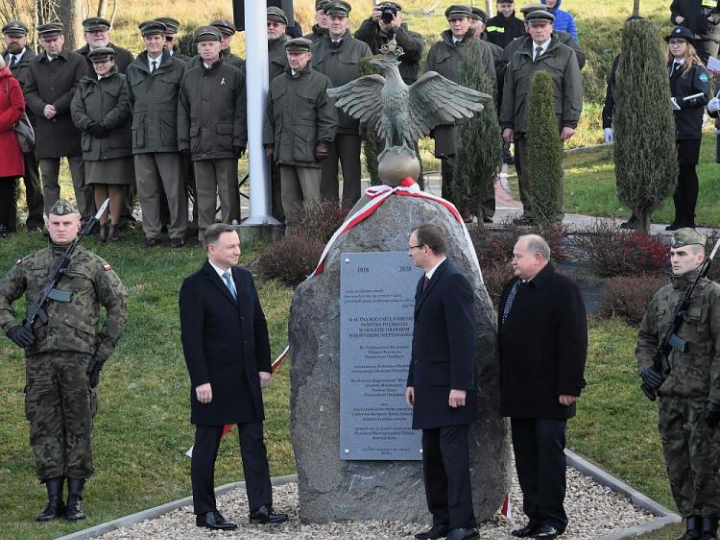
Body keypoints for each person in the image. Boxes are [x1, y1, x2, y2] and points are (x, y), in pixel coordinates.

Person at [0, 198, 127, 522]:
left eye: (67, 223)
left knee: (79, 426)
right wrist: (11, 326)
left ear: (78, 224)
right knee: (44, 427)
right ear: (46, 224)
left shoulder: (93, 264)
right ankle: (52, 498)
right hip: (39, 361)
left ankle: (76, 499)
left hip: (79, 360)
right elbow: (2, 297)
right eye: (55, 224)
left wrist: (102, 353)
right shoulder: (29, 264)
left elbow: (117, 306)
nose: (60, 228)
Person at [179, 223, 288, 530]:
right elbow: (192, 338)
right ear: (212, 249)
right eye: (231, 247)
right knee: (207, 447)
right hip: (213, 382)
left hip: (246, 379)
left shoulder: (243, 277)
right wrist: (200, 380)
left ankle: (261, 506)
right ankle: (206, 512)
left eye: (238, 245)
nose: (238, 251)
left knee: (254, 443)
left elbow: (258, 324)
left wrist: (263, 367)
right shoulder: (195, 286)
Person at [498, 234, 587, 539]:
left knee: (549, 458)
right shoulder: (512, 289)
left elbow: (574, 341)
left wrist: (569, 385)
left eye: (517, 255)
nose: (513, 260)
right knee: (526, 457)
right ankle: (534, 517)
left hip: (551, 395)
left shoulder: (564, 290)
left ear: (538, 258)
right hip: (519, 394)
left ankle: (552, 518)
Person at [636, 228, 720, 540]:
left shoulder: (713, 296)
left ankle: (708, 526)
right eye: (672, 254)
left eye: (681, 253)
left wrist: (716, 397)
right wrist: (647, 370)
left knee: (704, 463)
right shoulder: (663, 296)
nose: (674, 258)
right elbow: (645, 338)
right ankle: (690, 522)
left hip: (701, 398)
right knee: (677, 463)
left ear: (700, 257)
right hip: (669, 397)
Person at [405, 224, 478, 540]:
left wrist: (460, 385)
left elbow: (463, 338)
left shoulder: (453, 281)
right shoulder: (425, 283)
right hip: (427, 389)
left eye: (411, 247)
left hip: (450, 391)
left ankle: (463, 524)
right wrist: (411, 380)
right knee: (432, 459)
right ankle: (442, 521)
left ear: (426, 249)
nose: (409, 252)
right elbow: (421, 338)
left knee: (453, 461)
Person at [500, 10, 583, 224]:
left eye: (542, 26)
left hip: (552, 124)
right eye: (534, 26)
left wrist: (570, 122)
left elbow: (573, 89)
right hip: (523, 121)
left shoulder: (565, 53)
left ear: (551, 28)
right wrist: (507, 124)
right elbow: (508, 91)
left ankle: (552, 215)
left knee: (551, 170)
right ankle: (530, 213)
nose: (538, 30)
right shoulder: (518, 55)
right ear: (527, 28)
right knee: (525, 171)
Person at [178, 26, 247, 242]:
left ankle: (229, 232)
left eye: (211, 44)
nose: (207, 48)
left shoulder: (234, 74)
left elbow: (241, 111)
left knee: (228, 192)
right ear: (197, 48)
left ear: (220, 45)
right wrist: (184, 142)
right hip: (199, 142)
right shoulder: (189, 77)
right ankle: (205, 234)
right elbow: (183, 111)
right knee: (204, 192)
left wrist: (239, 139)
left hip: (225, 142)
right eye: (203, 45)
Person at [263, 38, 337, 235]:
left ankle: (315, 241)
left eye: (298, 55)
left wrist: (324, 141)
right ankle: (293, 242)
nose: (293, 58)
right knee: (289, 201)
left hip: (309, 152)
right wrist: (269, 144)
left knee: (312, 201)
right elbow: (269, 117)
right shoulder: (277, 83)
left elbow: (328, 116)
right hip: (284, 152)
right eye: (290, 54)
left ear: (309, 56)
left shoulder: (321, 82)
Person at [426, 5, 496, 212]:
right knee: (450, 167)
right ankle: (454, 210)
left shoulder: (482, 48)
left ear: (469, 22)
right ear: (449, 23)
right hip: (446, 118)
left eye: (461, 20)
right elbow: (427, 85)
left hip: (475, 118)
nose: (457, 24)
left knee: (479, 162)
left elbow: (490, 84)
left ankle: (483, 211)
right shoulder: (437, 49)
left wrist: (489, 118)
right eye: (453, 21)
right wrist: (431, 120)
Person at [127, 20, 189, 249]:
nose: (152, 42)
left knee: (174, 190)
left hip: (168, 137)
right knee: (146, 190)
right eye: (148, 38)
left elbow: (184, 103)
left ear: (165, 40)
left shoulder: (179, 67)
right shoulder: (134, 69)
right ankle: (151, 233)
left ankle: (177, 232)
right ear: (143, 41)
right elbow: (131, 102)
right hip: (142, 138)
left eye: (157, 38)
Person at [24, 22, 92, 221]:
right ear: (41, 42)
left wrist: (56, 107)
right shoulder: (34, 64)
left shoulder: (78, 61)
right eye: (47, 41)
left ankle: (87, 219)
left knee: (80, 179)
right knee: (48, 180)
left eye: (55, 40)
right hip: (46, 130)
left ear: (62, 39)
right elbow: (29, 91)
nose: (52, 44)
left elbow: (79, 87)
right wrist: (42, 108)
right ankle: (54, 221)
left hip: (72, 128)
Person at [311, 0, 373, 206]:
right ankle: (329, 222)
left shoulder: (361, 49)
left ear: (348, 21)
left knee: (351, 173)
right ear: (325, 20)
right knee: (326, 178)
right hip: (323, 124)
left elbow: (370, 85)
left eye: (341, 18)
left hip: (350, 122)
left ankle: (350, 218)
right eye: (332, 18)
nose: (336, 22)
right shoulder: (314, 49)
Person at [71, 47, 132, 243]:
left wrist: (106, 124)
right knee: (97, 184)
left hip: (114, 142)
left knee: (114, 184)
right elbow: (76, 108)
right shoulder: (85, 83)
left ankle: (114, 225)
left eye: (103, 62)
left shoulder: (122, 81)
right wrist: (88, 125)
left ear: (112, 62)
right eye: (96, 63)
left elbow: (124, 106)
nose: (100, 65)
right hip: (92, 142)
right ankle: (102, 225)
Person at [665, 26, 711, 231]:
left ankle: (688, 219)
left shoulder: (696, 69)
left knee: (687, 172)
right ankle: (678, 218)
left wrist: (679, 102)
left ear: (688, 45)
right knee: (674, 174)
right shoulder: (666, 68)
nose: (675, 45)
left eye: (680, 42)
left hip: (689, 129)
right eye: (672, 42)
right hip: (669, 130)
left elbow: (703, 96)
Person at [2, 21, 44, 233]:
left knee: (31, 175)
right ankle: (9, 220)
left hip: (28, 127)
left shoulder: (35, 62)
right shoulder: (3, 60)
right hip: (5, 132)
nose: (14, 40)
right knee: (6, 177)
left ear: (26, 38)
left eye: (18, 36)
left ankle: (35, 221)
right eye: (10, 36)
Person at [354, 2, 425, 84]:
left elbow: (413, 51)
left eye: (393, 16)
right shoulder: (372, 36)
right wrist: (371, 22)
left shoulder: (414, 36)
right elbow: (358, 44)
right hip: (377, 89)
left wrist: (395, 31)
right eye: (384, 16)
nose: (389, 19)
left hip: (403, 88)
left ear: (401, 19)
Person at [267, 6, 290, 223]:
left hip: (283, 119)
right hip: (260, 120)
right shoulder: (256, 49)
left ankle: (282, 217)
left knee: (282, 173)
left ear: (283, 27)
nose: (271, 27)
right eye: (267, 24)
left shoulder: (289, 51)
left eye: (276, 24)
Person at [0, 54, 25, 237]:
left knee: (6, 186)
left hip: (6, 140)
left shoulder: (11, 82)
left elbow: (18, 108)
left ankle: (5, 225)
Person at [671, 0, 720, 65]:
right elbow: (674, 8)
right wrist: (677, 18)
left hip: (708, 38)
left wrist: (713, 18)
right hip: (686, 38)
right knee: (685, 71)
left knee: (708, 71)